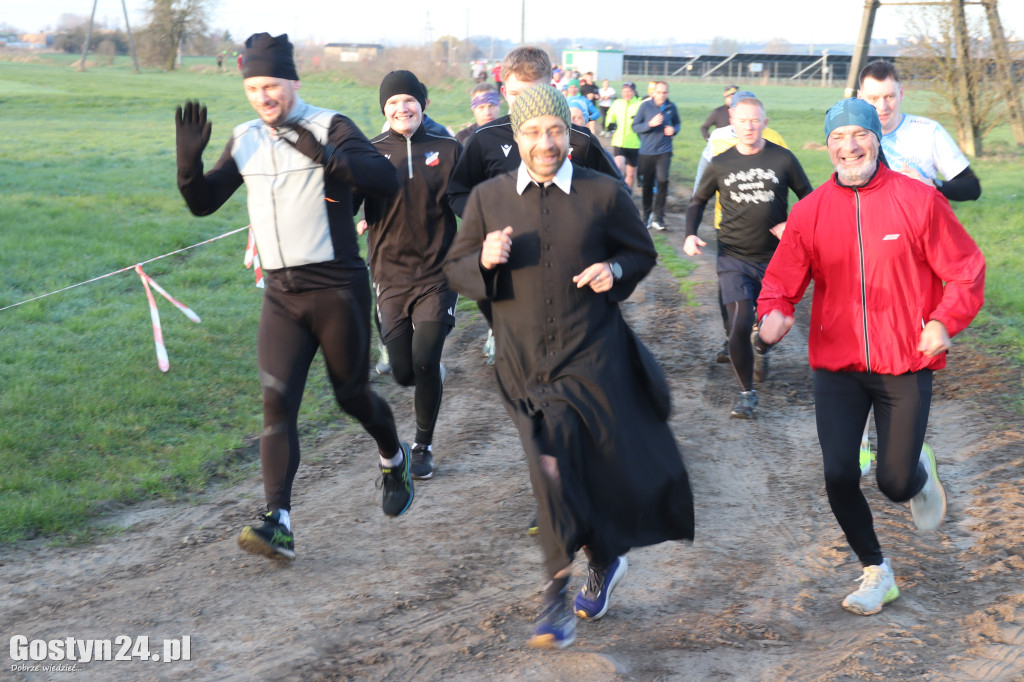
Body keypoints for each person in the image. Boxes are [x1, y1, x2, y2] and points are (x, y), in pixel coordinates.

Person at [444, 85, 694, 649]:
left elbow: (641, 254)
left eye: (555, 130)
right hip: (520, 362)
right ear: (516, 137)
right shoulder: (488, 199)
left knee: (564, 466)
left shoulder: (603, 194)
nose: (545, 142)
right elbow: (455, 268)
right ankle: (602, 558)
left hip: (591, 355)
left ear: (571, 134)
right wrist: (483, 261)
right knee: (553, 469)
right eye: (532, 132)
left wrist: (614, 269)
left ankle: (555, 594)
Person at [174, 33, 414, 563]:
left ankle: (393, 456)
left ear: (293, 82)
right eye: (254, 87)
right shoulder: (244, 139)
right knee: (276, 402)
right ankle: (277, 519)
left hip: (336, 289)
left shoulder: (333, 126)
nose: (263, 96)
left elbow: (384, 179)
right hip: (281, 295)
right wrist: (188, 165)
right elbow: (204, 203)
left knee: (351, 397)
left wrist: (325, 156)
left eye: (272, 86)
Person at [757, 98, 985, 616]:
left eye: (859, 135)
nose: (850, 146)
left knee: (894, 482)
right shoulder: (811, 211)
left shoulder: (919, 201)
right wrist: (773, 313)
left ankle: (918, 472)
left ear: (876, 140)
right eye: (839, 138)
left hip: (905, 360)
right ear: (828, 145)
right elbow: (780, 281)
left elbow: (967, 270)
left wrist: (943, 320)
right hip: (837, 366)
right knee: (838, 473)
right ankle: (876, 569)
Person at [446, 45, 620, 367]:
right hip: (508, 258)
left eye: (535, 93)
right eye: (515, 95)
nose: (525, 104)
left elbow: (616, 196)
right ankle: (500, 331)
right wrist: (485, 225)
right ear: (503, 92)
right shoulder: (484, 138)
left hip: (568, 261)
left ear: (552, 88)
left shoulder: (578, 140)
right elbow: (457, 192)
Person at [354, 70, 462, 481]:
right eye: (393, 103)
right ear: (384, 110)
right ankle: (424, 376)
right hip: (389, 274)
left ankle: (422, 445)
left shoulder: (449, 149)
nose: (402, 109)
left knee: (425, 359)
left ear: (423, 104)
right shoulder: (368, 151)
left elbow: (469, 200)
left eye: (409, 101)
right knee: (402, 371)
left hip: (439, 272)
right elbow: (346, 200)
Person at [683, 97, 813, 419]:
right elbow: (697, 201)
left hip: (774, 260)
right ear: (732, 121)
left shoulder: (782, 158)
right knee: (740, 323)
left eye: (755, 120)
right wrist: (689, 233)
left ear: (765, 122)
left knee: (769, 325)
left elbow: (810, 198)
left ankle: (762, 346)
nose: (749, 126)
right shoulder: (720, 162)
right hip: (733, 257)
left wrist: (792, 224)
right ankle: (746, 395)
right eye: (742, 120)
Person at [694, 90, 791, 365]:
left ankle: (761, 337)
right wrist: (695, 209)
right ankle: (732, 337)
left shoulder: (774, 140)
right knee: (728, 286)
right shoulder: (718, 138)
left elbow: (785, 176)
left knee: (764, 286)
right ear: (732, 115)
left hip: (768, 229)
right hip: (726, 223)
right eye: (737, 114)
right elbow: (704, 175)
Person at [858, 60, 981, 202]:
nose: (882, 106)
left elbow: (972, 187)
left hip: (919, 222)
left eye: (889, 96)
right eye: (873, 98)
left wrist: (931, 184)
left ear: (901, 93)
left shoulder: (928, 131)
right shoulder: (850, 139)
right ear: (860, 98)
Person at [632, 81, 681, 230]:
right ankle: (646, 216)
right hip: (647, 152)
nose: (662, 95)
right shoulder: (645, 106)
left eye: (665, 92)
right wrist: (650, 124)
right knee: (647, 185)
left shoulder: (671, 107)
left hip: (664, 151)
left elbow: (677, 124)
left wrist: (674, 130)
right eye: (659, 92)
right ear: (654, 93)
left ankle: (659, 217)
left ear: (667, 93)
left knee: (663, 180)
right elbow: (635, 126)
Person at [604, 81, 643, 194]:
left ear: (633, 92)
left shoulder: (640, 104)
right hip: (619, 141)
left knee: (630, 174)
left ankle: (628, 195)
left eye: (629, 91)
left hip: (634, 143)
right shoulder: (617, 103)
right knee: (618, 167)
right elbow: (610, 115)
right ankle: (616, 192)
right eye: (624, 91)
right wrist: (610, 125)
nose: (626, 94)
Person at [455, 83, 502, 147]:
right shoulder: (462, 139)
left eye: (491, 106)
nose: (487, 112)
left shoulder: (512, 134)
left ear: (499, 104)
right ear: (473, 108)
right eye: (481, 107)